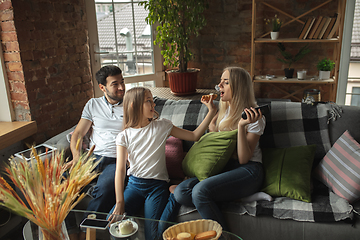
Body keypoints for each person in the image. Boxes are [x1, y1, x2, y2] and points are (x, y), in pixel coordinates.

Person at [108, 87, 217, 240]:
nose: (153, 104)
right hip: (134, 185)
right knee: (113, 227)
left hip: (157, 187)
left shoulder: (162, 126)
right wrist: (119, 202)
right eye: (148, 101)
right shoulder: (124, 136)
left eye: (153, 100)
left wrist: (211, 111)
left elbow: (194, 136)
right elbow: (120, 170)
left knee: (154, 237)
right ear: (134, 105)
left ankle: (174, 196)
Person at [173, 66, 267, 231]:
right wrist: (212, 115)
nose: (219, 86)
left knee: (200, 192)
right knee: (181, 192)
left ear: (238, 87)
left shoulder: (254, 117)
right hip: (224, 168)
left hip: (249, 170)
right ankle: (238, 197)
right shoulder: (224, 111)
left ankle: (223, 236)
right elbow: (217, 145)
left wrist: (241, 127)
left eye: (225, 82)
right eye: (220, 82)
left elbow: (243, 158)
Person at [65, 65, 125, 240]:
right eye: (115, 84)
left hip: (117, 160)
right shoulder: (93, 104)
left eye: (122, 82)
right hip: (94, 157)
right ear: (102, 87)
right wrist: (77, 157)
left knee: (106, 189)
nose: (121, 87)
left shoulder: (131, 104)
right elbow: (77, 133)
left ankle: (86, 233)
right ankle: (71, 232)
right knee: (62, 185)